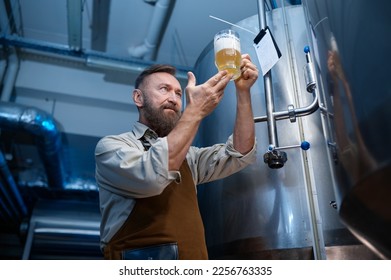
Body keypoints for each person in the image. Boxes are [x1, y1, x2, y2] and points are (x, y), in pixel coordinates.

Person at [95, 53, 259, 260]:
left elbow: (239, 153)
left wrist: (243, 92)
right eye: (164, 89)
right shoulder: (112, 147)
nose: (173, 99)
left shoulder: (189, 156)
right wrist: (196, 109)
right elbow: (151, 176)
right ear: (138, 98)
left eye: (179, 94)